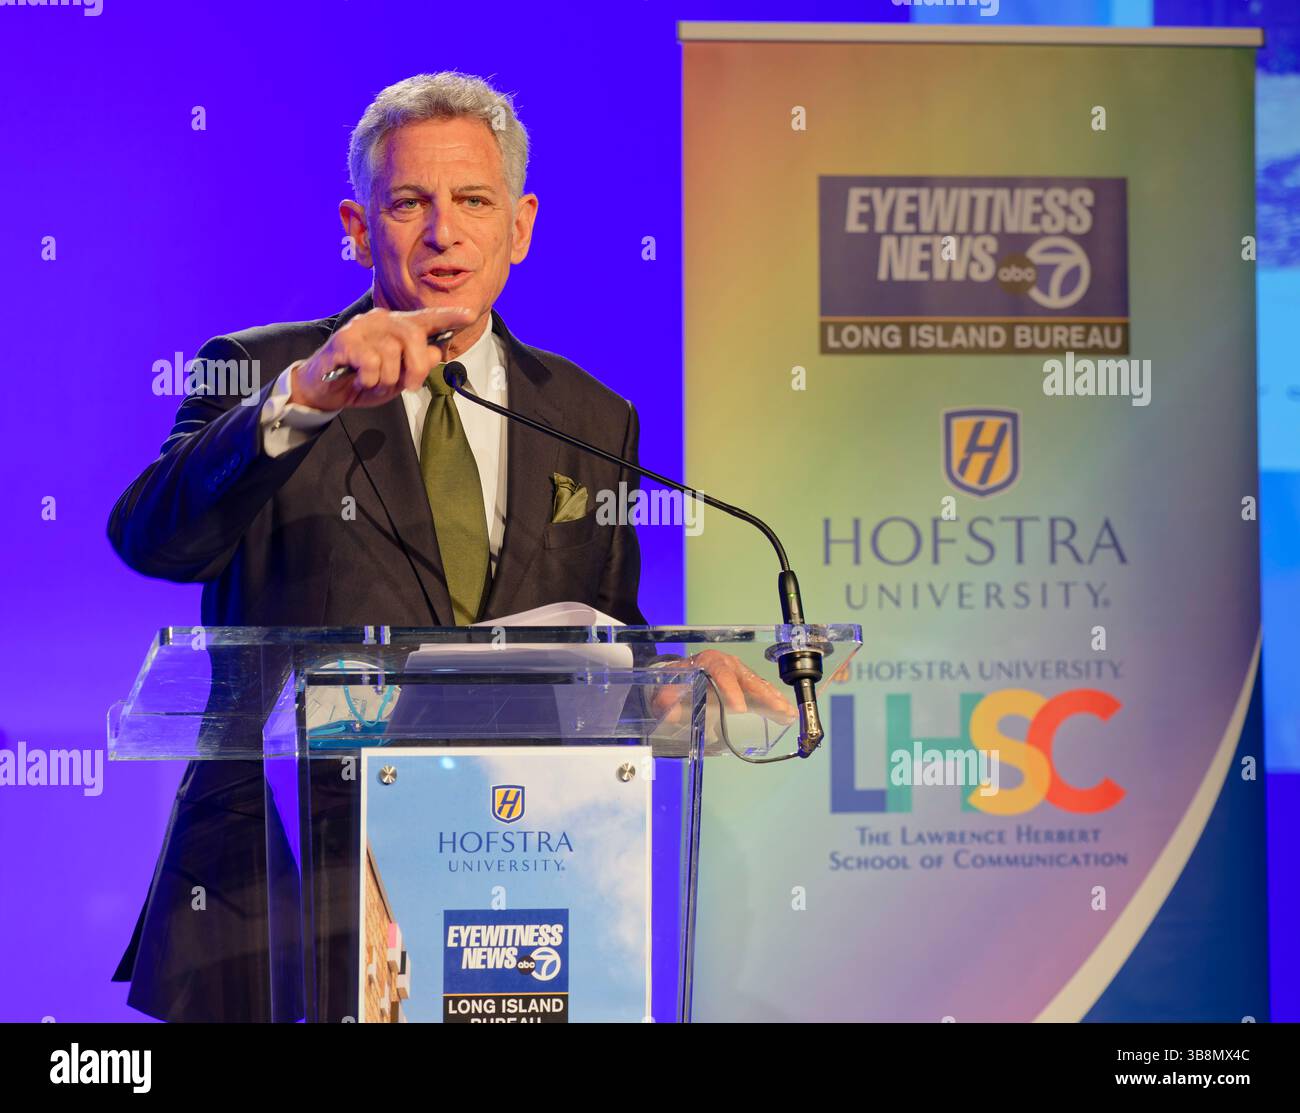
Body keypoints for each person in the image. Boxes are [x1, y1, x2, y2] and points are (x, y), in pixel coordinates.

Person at [108, 71, 791, 1021]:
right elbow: (153, 539)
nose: (444, 231)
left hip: (507, 893)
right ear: (357, 224)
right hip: (277, 899)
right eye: (408, 203)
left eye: (474, 200)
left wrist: (669, 681)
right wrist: (303, 399)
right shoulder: (265, 370)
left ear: (521, 225)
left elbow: (605, 632)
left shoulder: (590, 415)